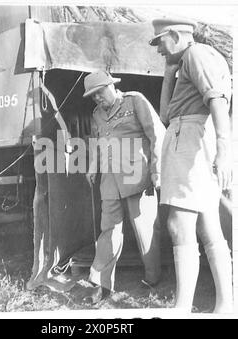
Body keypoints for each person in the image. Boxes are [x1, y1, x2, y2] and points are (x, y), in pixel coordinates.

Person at [149, 17, 233, 313]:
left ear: (174, 34)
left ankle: (182, 307)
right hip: (186, 137)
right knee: (208, 226)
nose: (158, 50)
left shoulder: (197, 54)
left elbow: (218, 102)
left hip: (192, 140)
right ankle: (224, 305)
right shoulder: (185, 60)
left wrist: (224, 150)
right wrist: (169, 73)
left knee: (178, 223)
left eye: (160, 41)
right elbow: (165, 115)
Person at [82, 70, 166, 303]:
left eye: (99, 93)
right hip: (110, 180)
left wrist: (157, 171)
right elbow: (98, 143)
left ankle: (153, 278)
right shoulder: (97, 114)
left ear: (111, 86)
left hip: (137, 176)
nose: (97, 98)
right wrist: (92, 167)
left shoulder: (135, 100)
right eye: (93, 96)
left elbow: (157, 135)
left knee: (145, 228)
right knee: (108, 229)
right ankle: (101, 283)